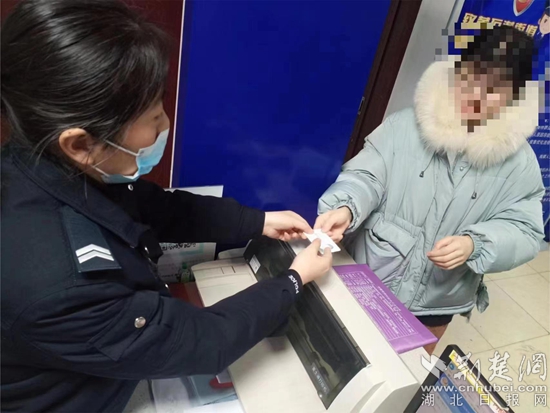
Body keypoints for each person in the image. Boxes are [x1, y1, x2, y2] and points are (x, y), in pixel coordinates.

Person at [0, 1, 333, 412]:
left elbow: (152, 206)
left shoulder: (43, 161)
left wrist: (257, 220)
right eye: (154, 116)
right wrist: (294, 280)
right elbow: (203, 342)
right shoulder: (58, 286)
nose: (165, 126)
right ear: (81, 143)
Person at [315, 26, 545, 354]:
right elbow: (367, 176)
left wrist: (475, 244)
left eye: (496, 87)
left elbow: (525, 230)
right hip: (368, 277)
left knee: (403, 376)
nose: (478, 93)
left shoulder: (519, 163)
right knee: (337, 356)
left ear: (514, 95)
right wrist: (346, 206)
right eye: (473, 76)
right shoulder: (404, 126)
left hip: (436, 302)